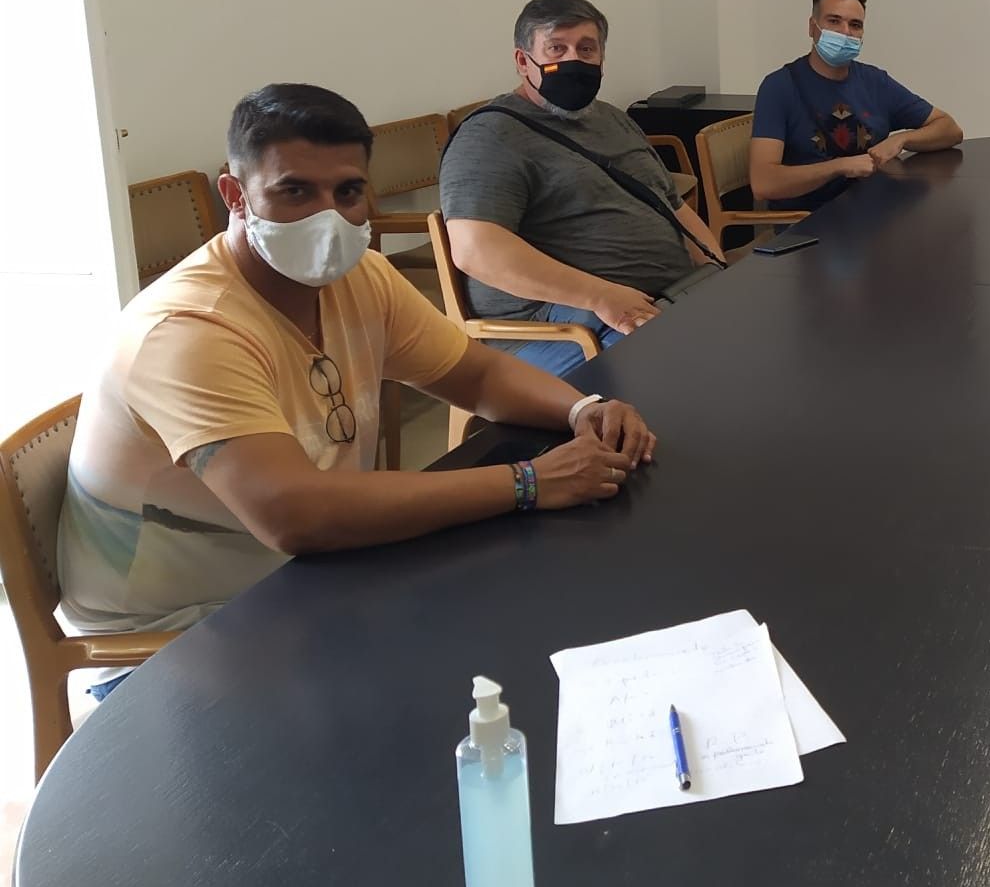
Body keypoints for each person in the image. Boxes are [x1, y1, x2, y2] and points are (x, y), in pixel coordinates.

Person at [59, 84, 657, 657]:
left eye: (347, 192)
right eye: (295, 192)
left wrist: (583, 409)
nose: (328, 217)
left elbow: (474, 375)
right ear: (235, 195)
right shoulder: (188, 330)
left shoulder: (359, 277)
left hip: (311, 581)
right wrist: (528, 482)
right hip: (181, 638)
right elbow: (295, 515)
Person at [439, 0, 727, 375]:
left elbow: (673, 206)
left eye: (586, 49)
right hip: (564, 329)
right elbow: (476, 250)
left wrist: (719, 273)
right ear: (523, 61)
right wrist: (601, 296)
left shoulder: (613, 119)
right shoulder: (490, 137)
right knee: (703, 373)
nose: (573, 60)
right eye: (557, 48)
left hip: (661, 302)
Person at [748, 0, 963, 212]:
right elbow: (763, 183)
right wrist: (840, 167)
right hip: (809, 221)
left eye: (855, 25)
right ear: (812, 27)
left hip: (875, 212)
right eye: (834, 21)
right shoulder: (779, 87)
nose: (845, 32)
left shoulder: (875, 82)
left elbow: (949, 129)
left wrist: (902, 139)